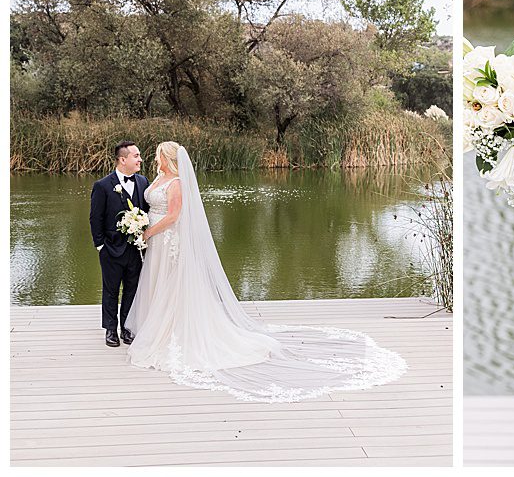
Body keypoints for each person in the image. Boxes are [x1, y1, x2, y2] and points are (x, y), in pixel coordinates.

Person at [123, 141, 407, 402]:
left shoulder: (176, 183)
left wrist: (147, 231)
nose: (152, 157)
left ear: (167, 158)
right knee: (158, 284)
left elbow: (174, 215)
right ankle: (158, 327)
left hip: (167, 239)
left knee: (173, 287)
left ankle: (174, 332)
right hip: (158, 243)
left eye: (158, 153)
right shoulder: (155, 179)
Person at [89, 140, 150, 347]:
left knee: (132, 289)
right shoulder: (103, 185)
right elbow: (95, 218)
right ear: (122, 159)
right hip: (111, 249)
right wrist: (100, 245)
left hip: (136, 250)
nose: (140, 159)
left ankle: (127, 327)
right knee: (111, 290)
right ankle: (110, 330)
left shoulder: (143, 182)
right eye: (136, 156)